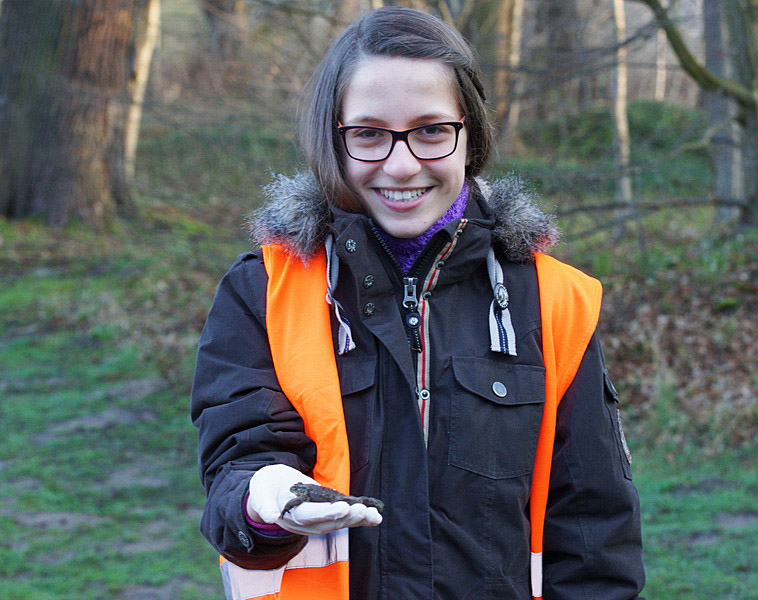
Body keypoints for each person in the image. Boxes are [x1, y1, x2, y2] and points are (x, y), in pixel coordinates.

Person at [191, 7, 645, 600]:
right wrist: (262, 501)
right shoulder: (264, 290)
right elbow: (235, 472)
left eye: (431, 130)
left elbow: (595, 539)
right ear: (333, 139)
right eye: (369, 133)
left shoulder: (553, 301)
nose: (402, 165)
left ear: (470, 134)